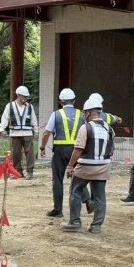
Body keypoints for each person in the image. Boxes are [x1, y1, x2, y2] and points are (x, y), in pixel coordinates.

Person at [61, 97, 114, 234]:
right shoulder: (109, 129)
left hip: (85, 167)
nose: (85, 115)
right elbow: (111, 149)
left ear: (89, 113)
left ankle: (75, 222)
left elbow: (78, 149)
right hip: (103, 167)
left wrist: (70, 166)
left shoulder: (86, 127)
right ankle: (96, 226)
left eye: (85, 113)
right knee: (100, 196)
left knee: (76, 191)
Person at [39, 89, 82, 218]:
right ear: (74, 101)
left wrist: (42, 147)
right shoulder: (81, 115)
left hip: (60, 150)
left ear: (60, 102)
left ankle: (58, 210)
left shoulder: (56, 114)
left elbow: (47, 132)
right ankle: (88, 201)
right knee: (78, 177)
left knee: (58, 180)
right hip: (77, 151)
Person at [0, 85, 38, 179]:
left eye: (26, 97)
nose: (25, 99)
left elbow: (33, 119)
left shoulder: (30, 107)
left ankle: (30, 172)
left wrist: (36, 131)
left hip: (27, 133)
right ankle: (18, 171)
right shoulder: (10, 106)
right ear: (18, 95)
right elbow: (5, 118)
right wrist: (2, 129)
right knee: (16, 153)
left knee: (29, 153)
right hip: (15, 133)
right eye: (23, 97)